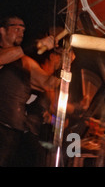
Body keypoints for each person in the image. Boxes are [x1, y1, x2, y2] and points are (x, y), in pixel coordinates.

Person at [0, 15, 59, 166]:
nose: (21, 33)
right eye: (16, 29)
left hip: (16, 132)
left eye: (23, 30)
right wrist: (37, 44)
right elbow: (6, 57)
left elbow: (48, 83)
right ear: (2, 31)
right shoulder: (4, 54)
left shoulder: (25, 61)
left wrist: (64, 64)